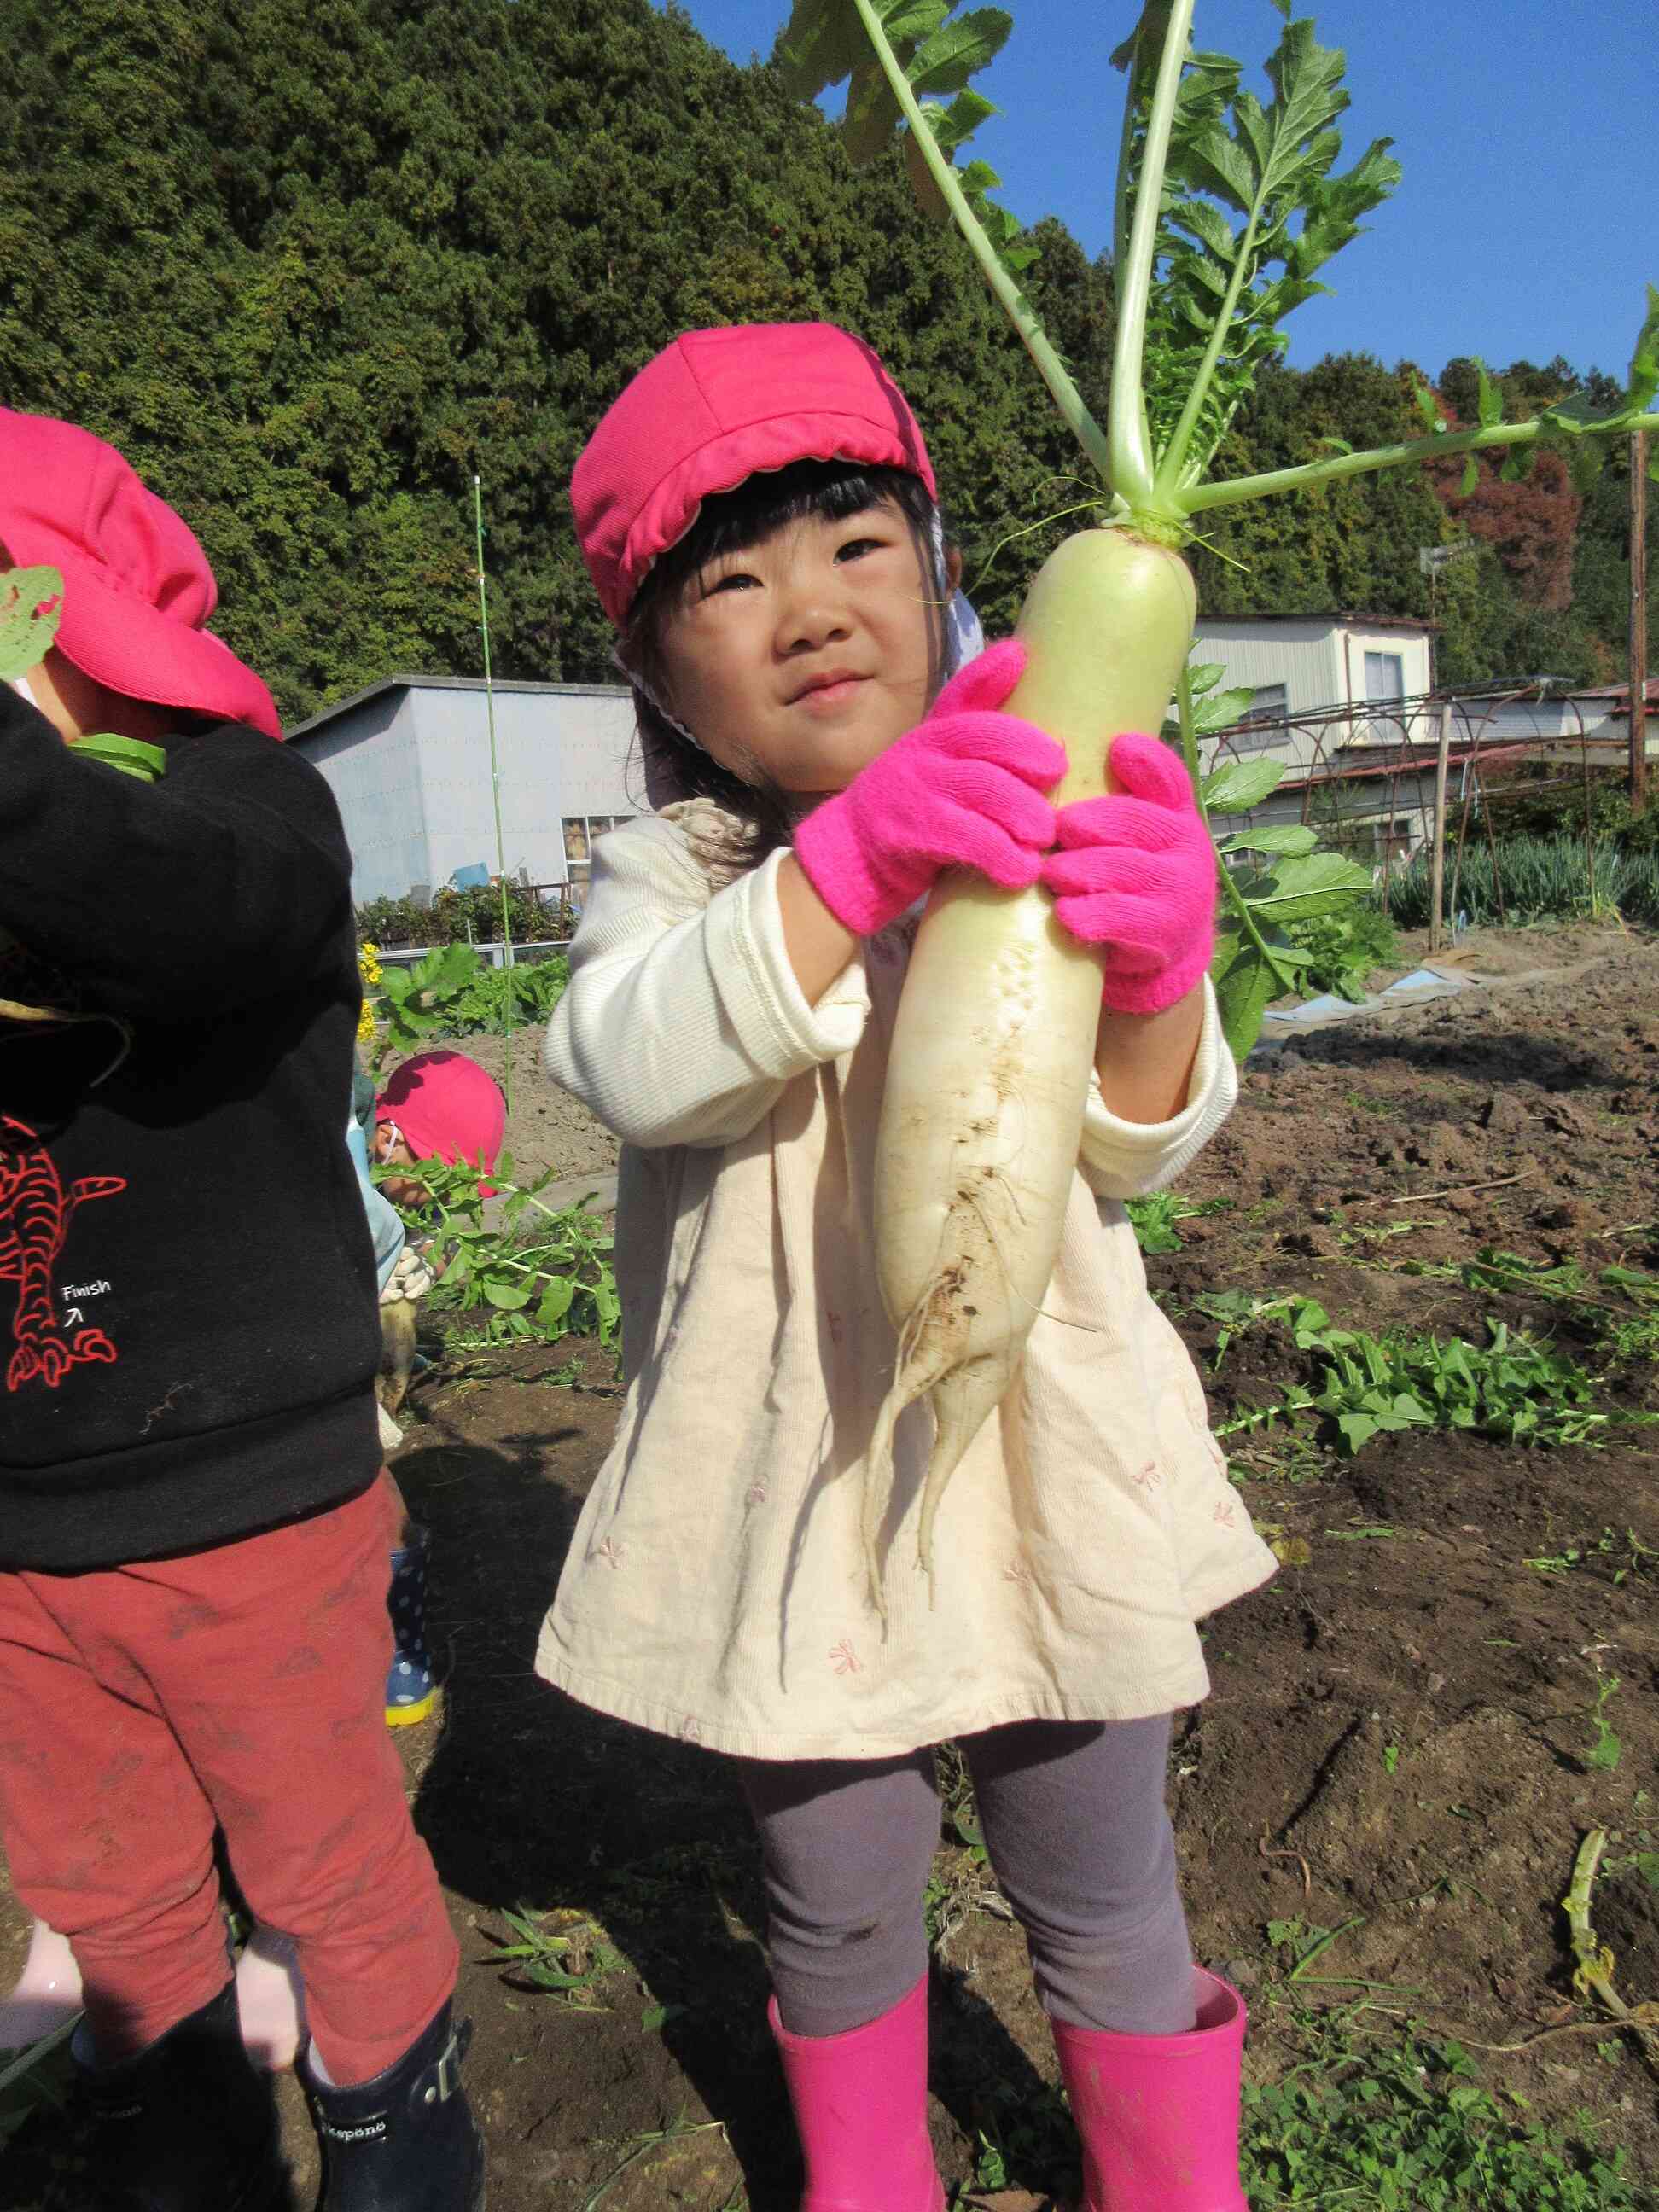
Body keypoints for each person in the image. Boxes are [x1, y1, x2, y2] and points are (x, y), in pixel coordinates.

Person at [538, 323, 1277, 2211]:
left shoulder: (1047, 836)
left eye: (858, 547)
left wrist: (1165, 979)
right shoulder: (676, 876)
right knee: (838, 1898)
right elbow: (627, 1057)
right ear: (657, 672)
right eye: (731, 579)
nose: (808, 609)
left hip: (1047, 1468)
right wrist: (851, 862)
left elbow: (1135, 1142)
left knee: (1106, 1888)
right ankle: (870, 2186)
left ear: (948, 578)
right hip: (796, 1489)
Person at [0, 409, 483, 2209]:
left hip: (255, 1508)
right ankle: (187, 2151)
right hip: (20, 1535)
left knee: (330, 1872)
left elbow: (167, 915)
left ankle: (399, 2150)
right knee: (115, 1903)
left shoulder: (242, 807)